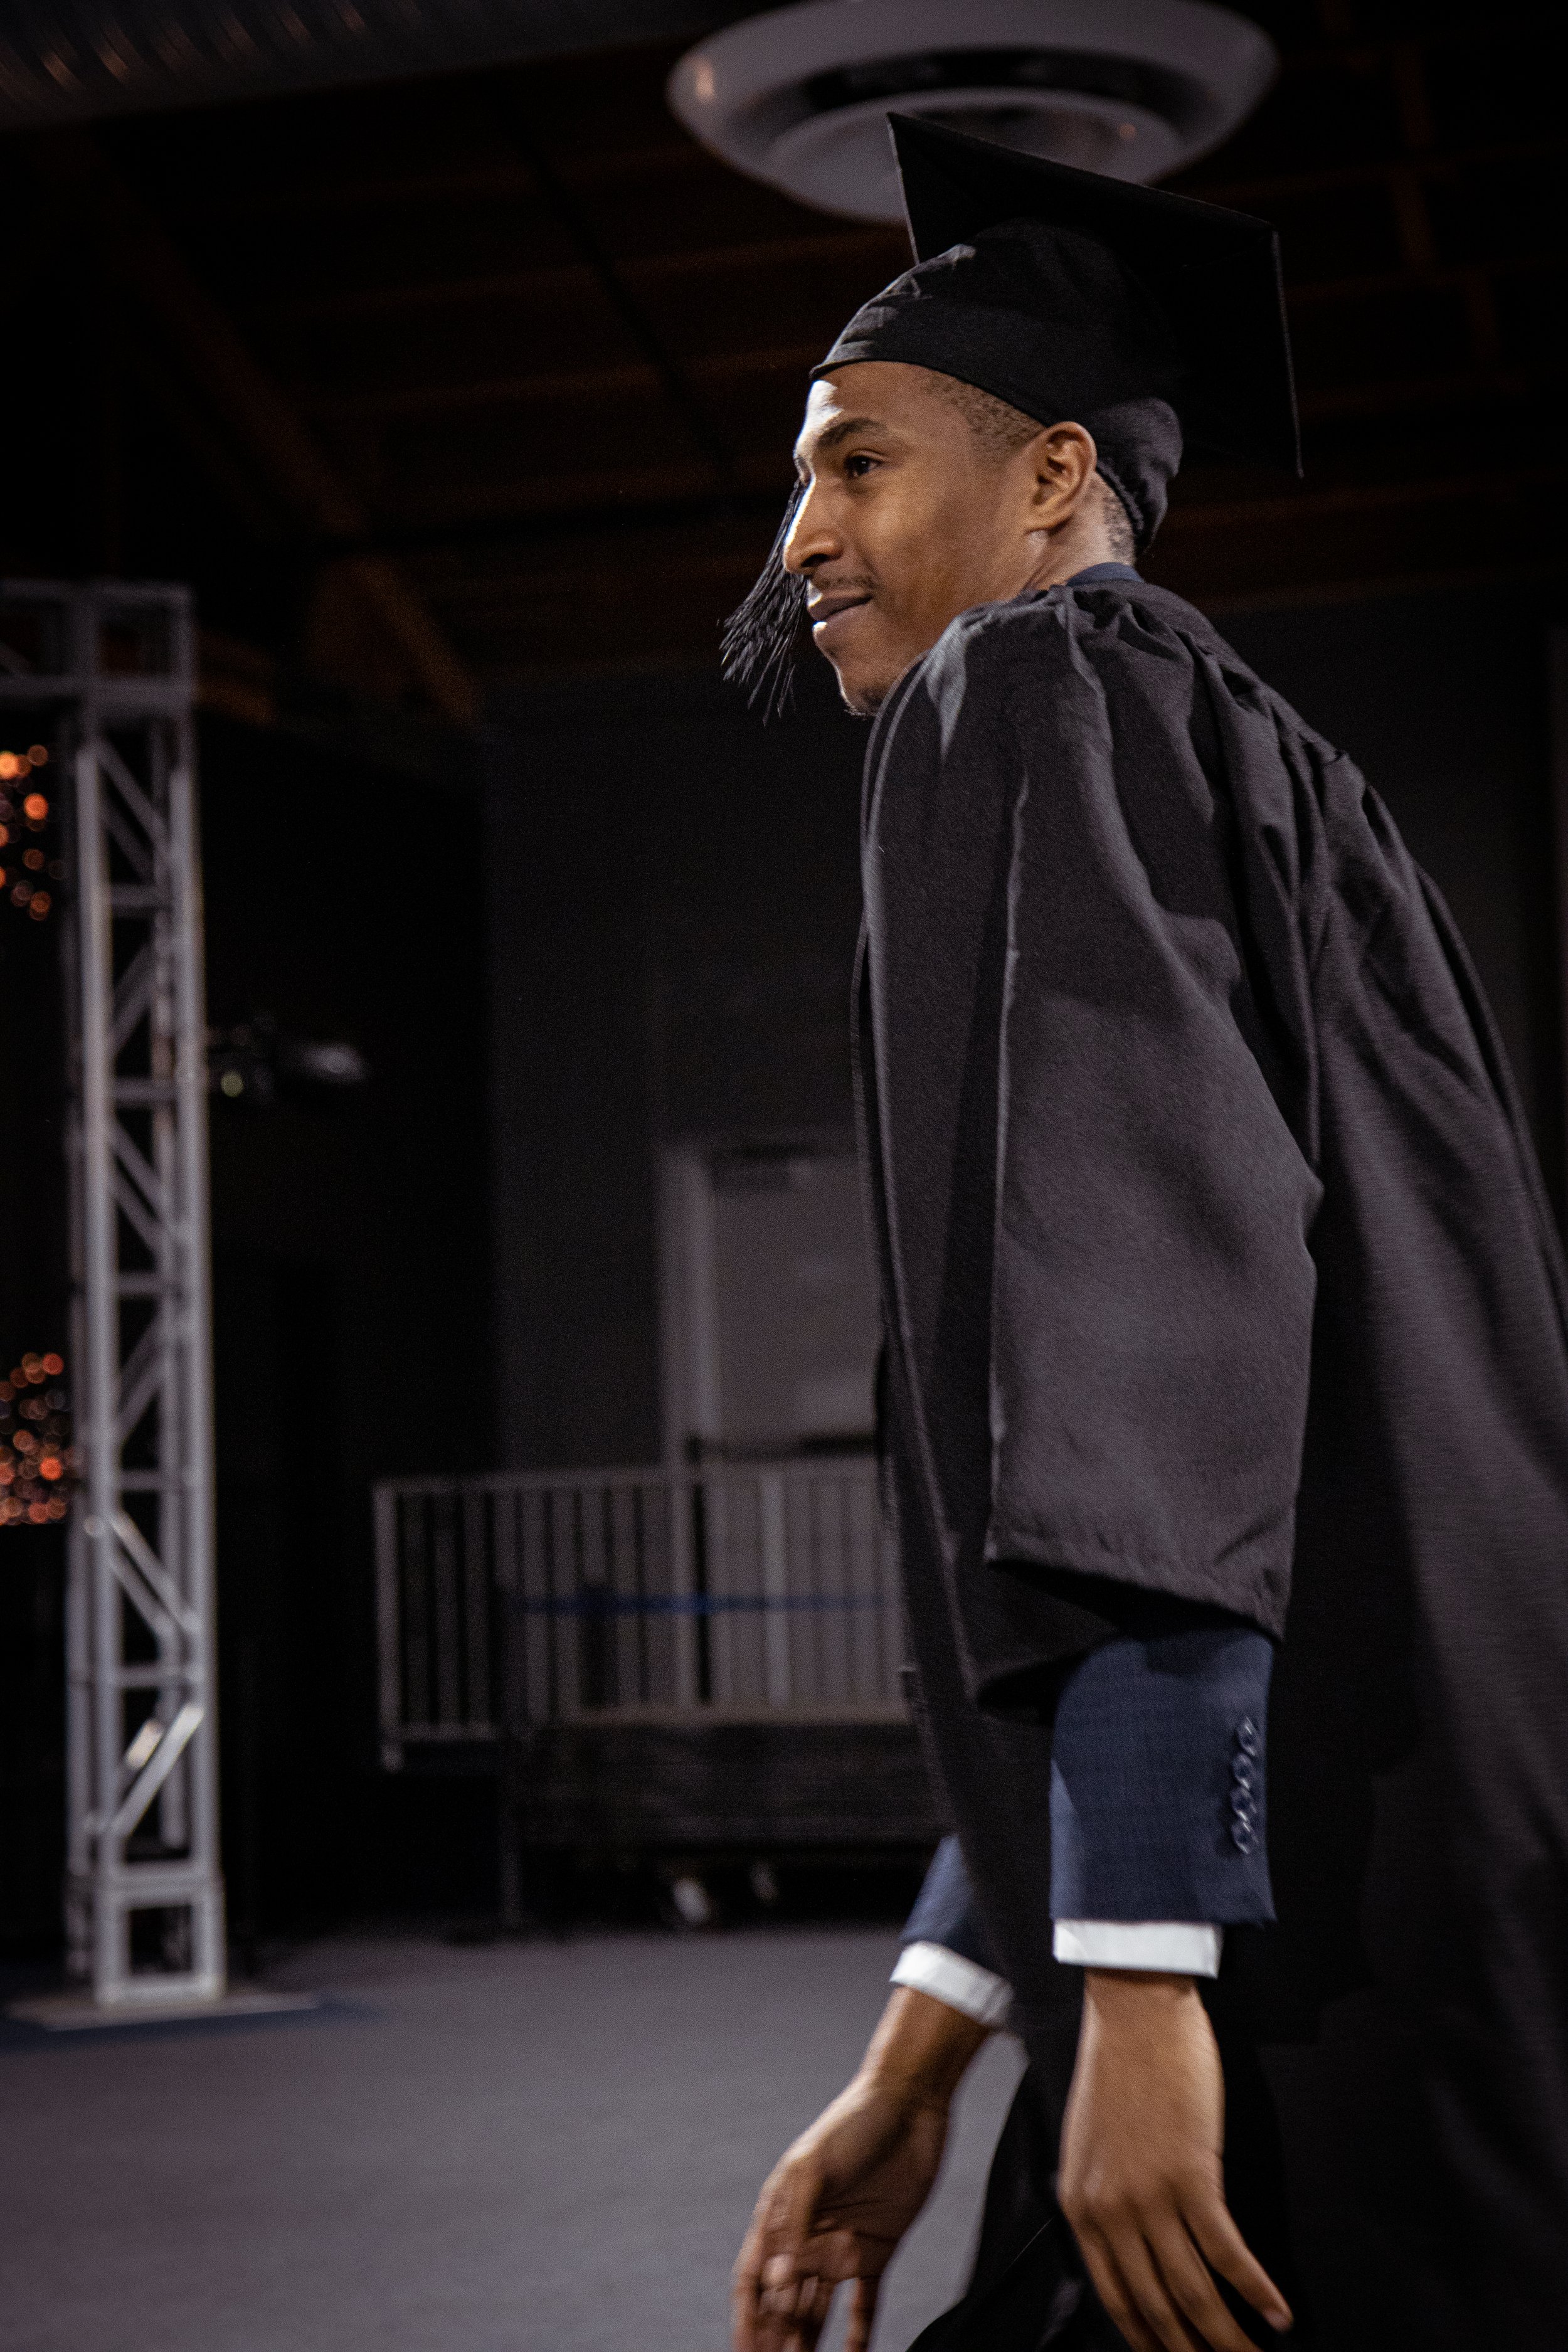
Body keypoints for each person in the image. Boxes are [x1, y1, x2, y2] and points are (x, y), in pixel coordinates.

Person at [725, 118, 1568, 2352]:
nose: (798, 533)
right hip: (1413, 1862)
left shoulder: (1035, 693)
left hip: (1284, 1947)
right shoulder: (1277, 772)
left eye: (853, 461)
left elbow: (1146, 1369)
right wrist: (933, 2042)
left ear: (1046, 477)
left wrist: (1141, 1975)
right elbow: (1255, 1459)